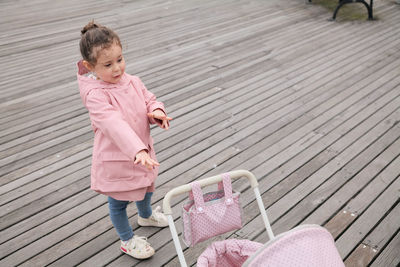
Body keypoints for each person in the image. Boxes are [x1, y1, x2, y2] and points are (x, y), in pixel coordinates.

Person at [77, 21, 172, 260]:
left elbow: (148, 98)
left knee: (147, 187)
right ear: (90, 66)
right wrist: (137, 149)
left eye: (120, 59)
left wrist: (156, 111)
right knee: (118, 202)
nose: (117, 68)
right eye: (108, 64)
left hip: (142, 153)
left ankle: (146, 215)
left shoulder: (132, 80)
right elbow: (113, 124)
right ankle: (127, 239)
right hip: (117, 158)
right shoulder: (95, 96)